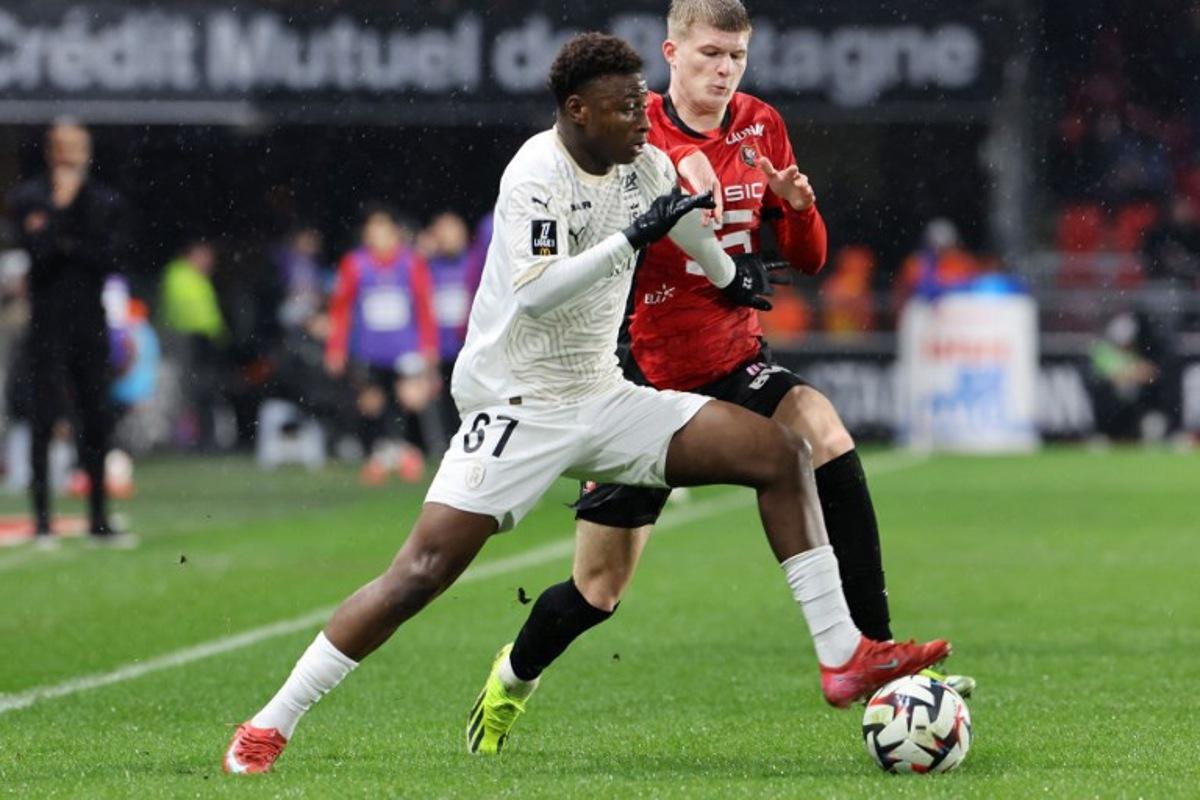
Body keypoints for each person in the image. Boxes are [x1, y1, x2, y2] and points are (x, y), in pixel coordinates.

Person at [222, 32, 948, 774]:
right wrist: (633, 238)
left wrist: (730, 275)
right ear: (577, 111)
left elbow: (681, 217)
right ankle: (270, 723)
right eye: (625, 107)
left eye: (641, 102)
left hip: (603, 395)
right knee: (421, 573)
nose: (642, 117)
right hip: (518, 405)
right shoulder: (535, 173)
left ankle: (842, 655)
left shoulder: (644, 160)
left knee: (782, 451)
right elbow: (540, 294)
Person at [466, 1, 972, 756]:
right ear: (671, 53)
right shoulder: (632, 132)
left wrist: (797, 211)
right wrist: (674, 205)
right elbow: (597, 242)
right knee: (598, 590)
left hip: (735, 359)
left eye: (736, 56)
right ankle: (513, 676)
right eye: (709, 54)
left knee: (822, 431)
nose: (724, 70)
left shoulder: (761, 124)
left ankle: (875, 657)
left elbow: (808, 259)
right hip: (641, 381)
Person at [6, 121, 133, 547]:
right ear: (50, 152)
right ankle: (42, 520)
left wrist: (61, 232)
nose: (69, 157)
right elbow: (38, 254)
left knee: (96, 417)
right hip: (47, 323)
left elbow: (108, 258)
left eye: (76, 148)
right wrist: (64, 219)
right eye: (62, 148)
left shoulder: (104, 200)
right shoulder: (28, 198)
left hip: (88, 322)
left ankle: (99, 518)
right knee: (43, 418)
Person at [324, 206, 439, 484]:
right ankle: (383, 454)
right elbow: (341, 309)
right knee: (372, 403)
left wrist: (428, 345)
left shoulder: (411, 263)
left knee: (409, 400)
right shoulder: (355, 264)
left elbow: (424, 306)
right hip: (369, 350)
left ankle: (406, 453)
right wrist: (336, 347)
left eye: (383, 230)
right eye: (373, 230)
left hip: (404, 349)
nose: (378, 236)